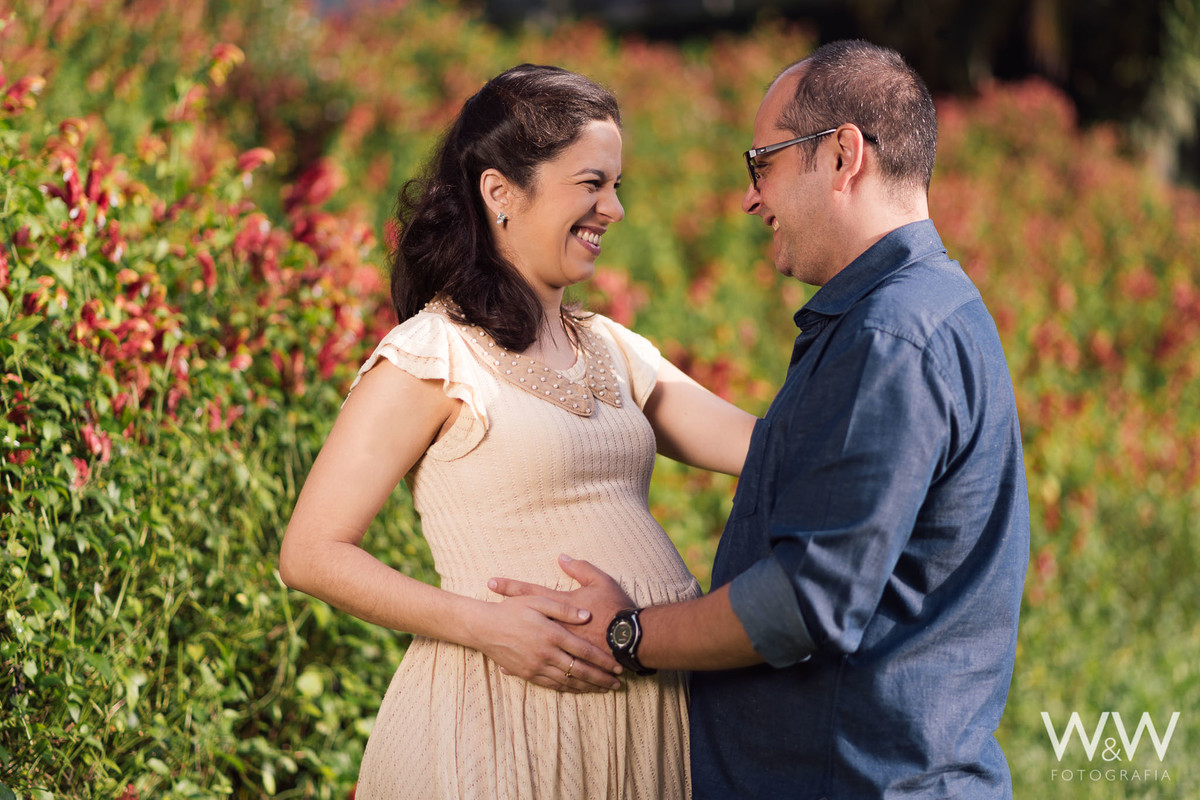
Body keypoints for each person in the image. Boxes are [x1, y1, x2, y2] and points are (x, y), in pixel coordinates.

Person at [491, 40, 1031, 799]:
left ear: (843, 156)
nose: (750, 197)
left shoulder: (890, 338)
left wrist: (629, 633)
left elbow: (804, 603)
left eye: (763, 162)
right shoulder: (921, 312)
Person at [278, 64, 756, 800]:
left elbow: (762, 448)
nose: (615, 209)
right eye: (592, 183)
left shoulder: (613, 349)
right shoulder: (433, 354)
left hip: (645, 731)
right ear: (501, 192)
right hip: (503, 730)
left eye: (618, 185)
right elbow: (310, 552)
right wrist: (486, 626)